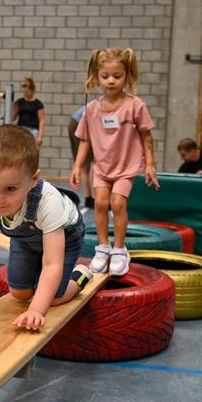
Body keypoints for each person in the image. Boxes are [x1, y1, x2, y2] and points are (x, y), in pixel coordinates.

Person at [0, 124, 93, 331]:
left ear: (33, 180)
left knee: (51, 299)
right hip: (24, 239)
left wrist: (36, 310)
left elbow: (52, 264)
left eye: (10, 189)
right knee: (19, 293)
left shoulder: (48, 202)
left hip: (66, 235)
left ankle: (80, 274)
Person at [70, 48, 159, 276]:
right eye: (105, 76)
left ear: (127, 77)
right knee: (100, 204)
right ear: (96, 76)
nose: (111, 81)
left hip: (126, 167)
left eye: (117, 76)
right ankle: (103, 248)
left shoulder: (135, 105)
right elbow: (85, 141)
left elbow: (146, 137)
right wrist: (77, 166)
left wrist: (149, 164)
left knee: (118, 204)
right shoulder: (91, 109)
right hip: (101, 167)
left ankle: (119, 249)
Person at [68, 106, 94, 208]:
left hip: (73, 122)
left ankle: (88, 199)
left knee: (85, 163)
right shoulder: (101, 106)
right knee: (93, 162)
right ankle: (94, 198)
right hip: (79, 124)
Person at [13, 77, 45, 147]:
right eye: (24, 92)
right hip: (21, 129)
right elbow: (14, 117)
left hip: (33, 131)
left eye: (27, 92)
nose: (25, 94)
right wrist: (14, 109)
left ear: (32, 90)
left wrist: (40, 136)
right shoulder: (19, 102)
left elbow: (41, 120)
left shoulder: (37, 104)